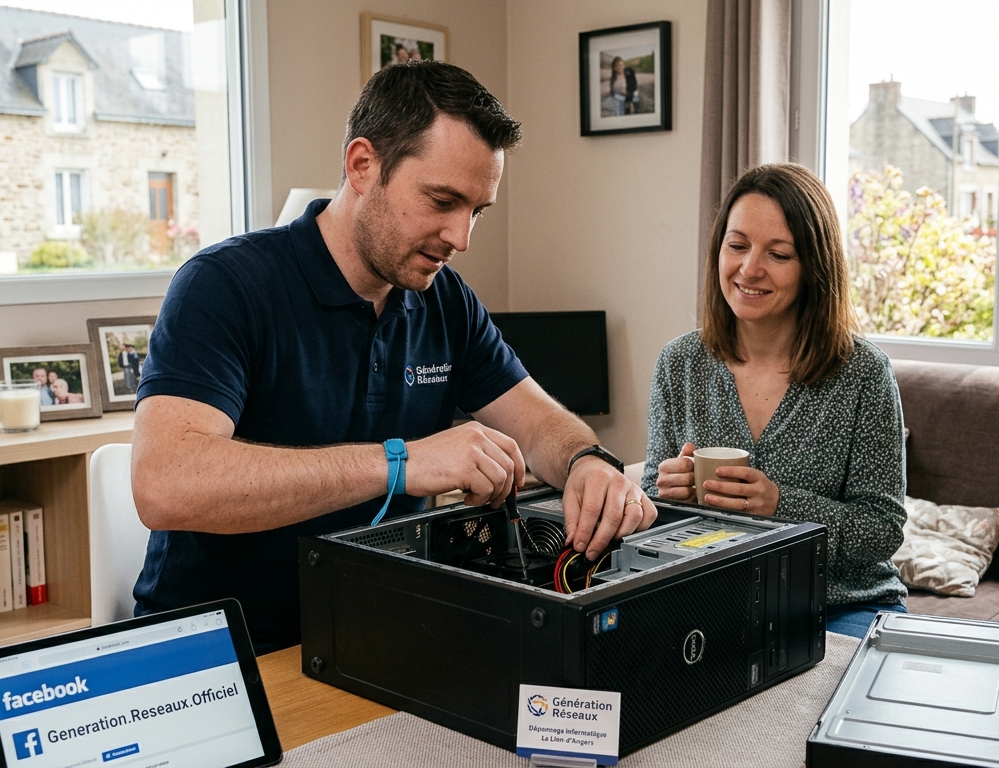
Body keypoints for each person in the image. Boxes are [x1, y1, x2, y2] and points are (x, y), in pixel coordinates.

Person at [131, 60, 657, 654]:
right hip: (221, 648)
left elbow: (539, 422)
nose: (461, 238)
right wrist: (400, 464)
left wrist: (586, 461)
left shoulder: (444, 300)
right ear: (362, 166)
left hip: (382, 629)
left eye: (477, 211)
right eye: (442, 200)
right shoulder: (224, 285)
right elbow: (165, 484)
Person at [643, 164, 907, 640]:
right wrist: (666, 495)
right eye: (737, 245)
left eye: (778, 254)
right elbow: (648, 508)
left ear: (814, 267)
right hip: (714, 603)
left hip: (841, 606)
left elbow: (882, 530)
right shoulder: (679, 363)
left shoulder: (864, 373)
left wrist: (781, 505)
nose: (749, 269)